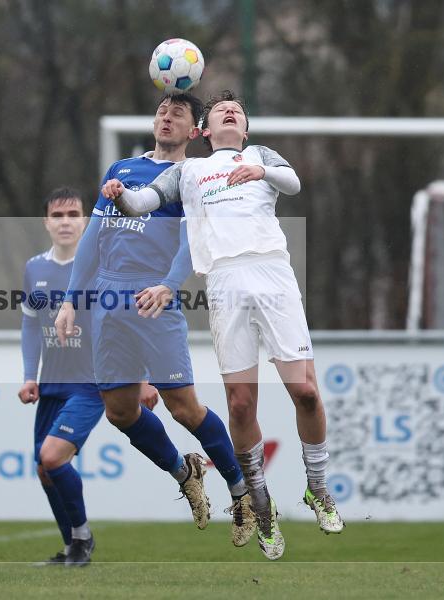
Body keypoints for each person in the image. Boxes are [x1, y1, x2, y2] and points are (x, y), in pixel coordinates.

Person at [102, 90, 345, 561]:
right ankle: (261, 505)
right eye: (220, 111)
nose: (230, 113)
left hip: (273, 275)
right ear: (206, 131)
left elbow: (293, 183)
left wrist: (262, 171)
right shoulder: (189, 172)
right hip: (225, 283)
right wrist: (121, 195)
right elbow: (143, 202)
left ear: (246, 129)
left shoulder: (261, 156)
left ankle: (318, 488)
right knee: (238, 404)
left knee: (307, 392)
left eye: (238, 111)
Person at [55, 94, 256, 548]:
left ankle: (241, 492)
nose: (167, 119)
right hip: (108, 297)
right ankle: (183, 472)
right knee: (120, 411)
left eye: (178, 114)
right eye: (162, 112)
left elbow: (192, 241)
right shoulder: (120, 173)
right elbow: (92, 238)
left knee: (183, 407)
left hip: (153, 298)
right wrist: (71, 300)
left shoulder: (192, 177)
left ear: (195, 130)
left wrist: (169, 284)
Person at [18, 187, 105, 567]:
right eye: (58, 215)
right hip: (51, 384)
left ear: (84, 220)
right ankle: (72, 545)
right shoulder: (34, 267)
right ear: (46, 222)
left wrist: (142, 378)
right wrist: (28, 376)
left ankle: (83, 538)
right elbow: (31, 328)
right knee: (44, 466)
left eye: (73, 214)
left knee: (52, 457)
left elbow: (120, 325)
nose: (66, 221)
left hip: (90, 384)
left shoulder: (98, 267)